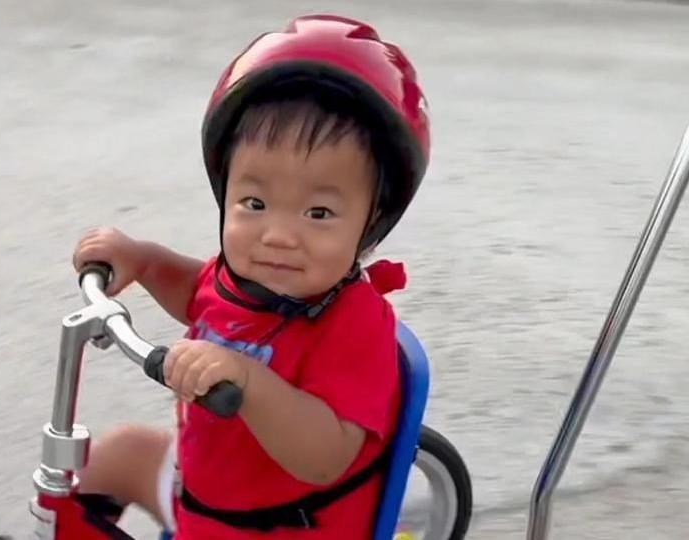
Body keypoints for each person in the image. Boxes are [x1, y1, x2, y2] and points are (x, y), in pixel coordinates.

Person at [71, 14, 430, 539]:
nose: (278, 236)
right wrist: (144, 261)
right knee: (117, 455)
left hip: (268, 526)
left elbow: (325, 457)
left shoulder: (356, 323)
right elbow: (198, 293)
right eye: (255, 203)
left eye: (319, 213)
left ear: (372, 221)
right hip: (200, 490)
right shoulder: (245, 279)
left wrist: (247, 380)